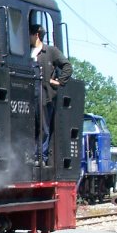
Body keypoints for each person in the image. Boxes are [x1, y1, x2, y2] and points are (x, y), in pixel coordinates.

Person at [30, 23, 72, 165]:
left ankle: (41, 156)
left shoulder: (51, 51)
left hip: (44, 93)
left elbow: (67, 66)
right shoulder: (27, 52)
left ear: (36, 35)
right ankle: (31, 154)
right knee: (32, 125)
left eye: (29, 34)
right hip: (29, 91)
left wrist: (59, 82)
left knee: (43, 127)